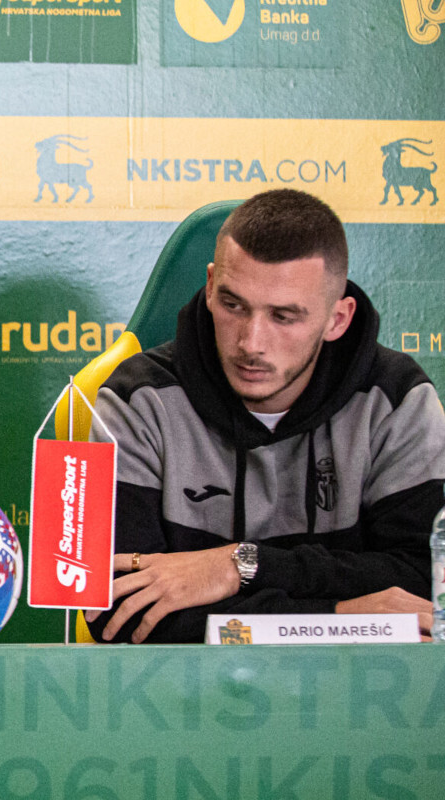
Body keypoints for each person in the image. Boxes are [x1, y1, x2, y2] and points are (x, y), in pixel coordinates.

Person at [85, 189, 445, 643]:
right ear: (211, 287)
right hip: (179, 700)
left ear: (338, 318)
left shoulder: (396, 400)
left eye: (284, 316)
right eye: (234, 305)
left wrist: (239, 565)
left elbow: (427, 588)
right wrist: (339, 618)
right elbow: (121, 614)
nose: (252, 343)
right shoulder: (136, 400)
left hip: (358, 695)